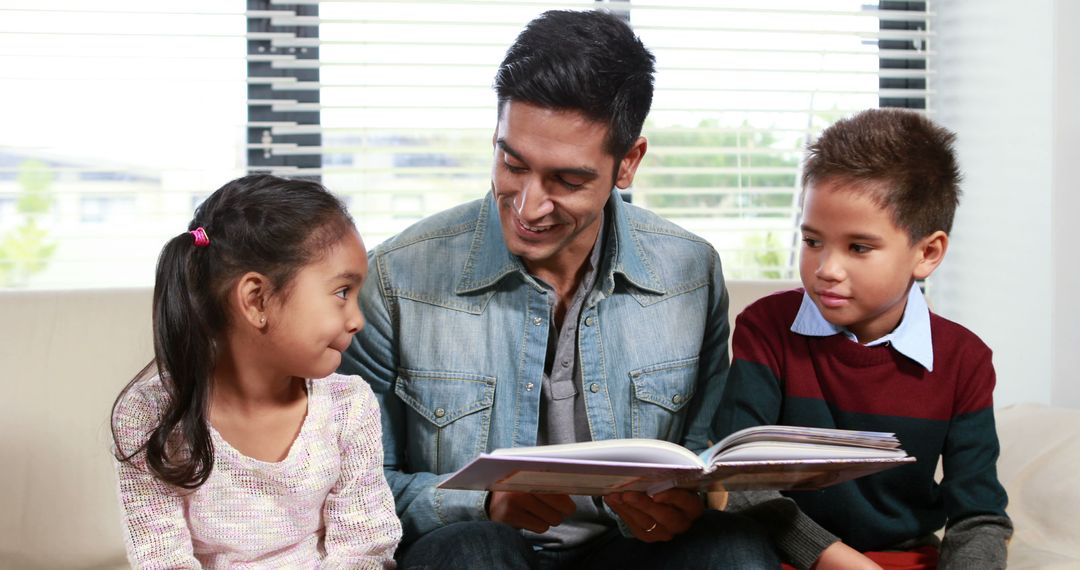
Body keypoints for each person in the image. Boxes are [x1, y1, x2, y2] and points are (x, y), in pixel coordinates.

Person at [339, 9, 779, 570]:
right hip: (476, 549)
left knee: (734, 548)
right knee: (473, 550)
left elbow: (699, 457)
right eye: (511, 162)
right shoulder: (397, 277)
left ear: (628, 164)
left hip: (627, 552)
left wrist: (677, 504)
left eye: (567, 181)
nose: (527, 206)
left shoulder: (691, 274)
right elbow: (358, 490)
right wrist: (482, 501)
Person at [713, 109, 1013, 570]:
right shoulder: (766, 329)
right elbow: (738, 481)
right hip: (783, 557)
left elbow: (979, 516)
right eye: (813, 241)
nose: (826, 269)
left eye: (858, 247)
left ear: (927, 253)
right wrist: (836, 560)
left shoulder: (964, 360)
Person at [111, 175, 402, 567]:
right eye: (341, 293)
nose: (357, 321)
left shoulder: (348, 405)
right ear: (256, 299)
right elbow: (162, 559)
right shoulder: (148, 415)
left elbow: (364, 548)